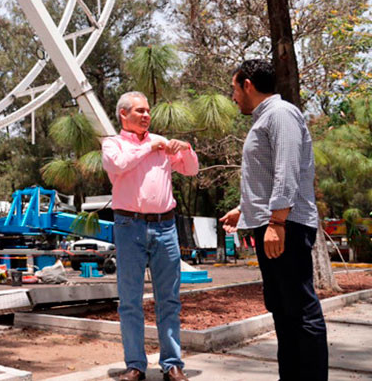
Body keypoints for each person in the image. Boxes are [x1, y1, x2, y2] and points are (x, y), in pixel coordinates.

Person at [219, 60, 327, 381]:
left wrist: (277, 222)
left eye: (234, 89)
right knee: (283, 310)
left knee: (300, 308)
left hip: (286, 226)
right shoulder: (266, 119)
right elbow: (267, 176)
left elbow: (287, 167)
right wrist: (245, 209)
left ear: (248, 85)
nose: (233, 96)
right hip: (275, 224)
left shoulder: (280, 114)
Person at [102, 91, 198, 381]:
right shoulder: (112, 144)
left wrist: (187, 149)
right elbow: (118, 165)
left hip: (165, 227)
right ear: (123, 114)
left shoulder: (162, 143)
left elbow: (191, 170)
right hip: (128, 227)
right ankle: (135, 365)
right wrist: (151, 147)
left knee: (168, 299)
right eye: (140, 111)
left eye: (148, 111)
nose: (146, 115)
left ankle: (172, 364)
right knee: (130, 300)